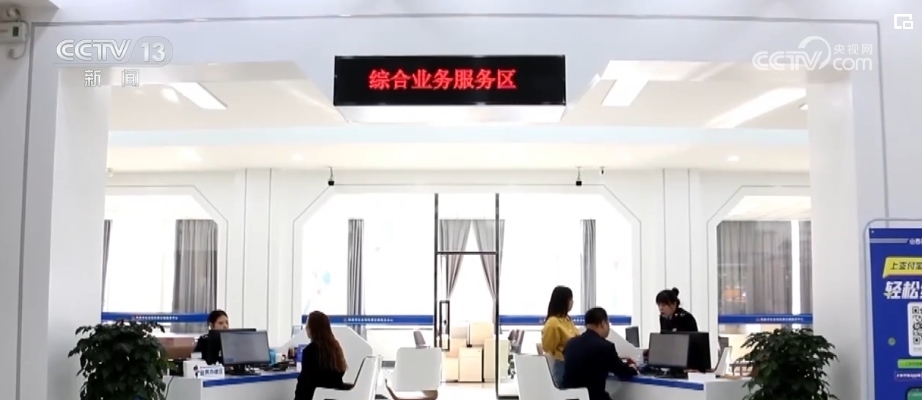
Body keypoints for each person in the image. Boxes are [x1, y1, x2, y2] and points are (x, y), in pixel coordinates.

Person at [561, 307, 638, 400]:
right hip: (593, 397)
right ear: (603, 324)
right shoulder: (605, 347)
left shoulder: (571, 343)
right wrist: (632, 367)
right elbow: (622, 371)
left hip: (570, 397)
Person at [294, 311, 348, 400]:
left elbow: (304, 385)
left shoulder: (310, 351)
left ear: (313, 328)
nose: (306, 328)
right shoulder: (335, 348)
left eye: (307, 325)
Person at [540, 286, 580, 386]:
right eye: (570, 299)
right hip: (561, 365)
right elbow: (548, 348)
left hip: (574, 365)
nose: (572, 302)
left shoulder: (567, 319)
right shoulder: (553, 323)